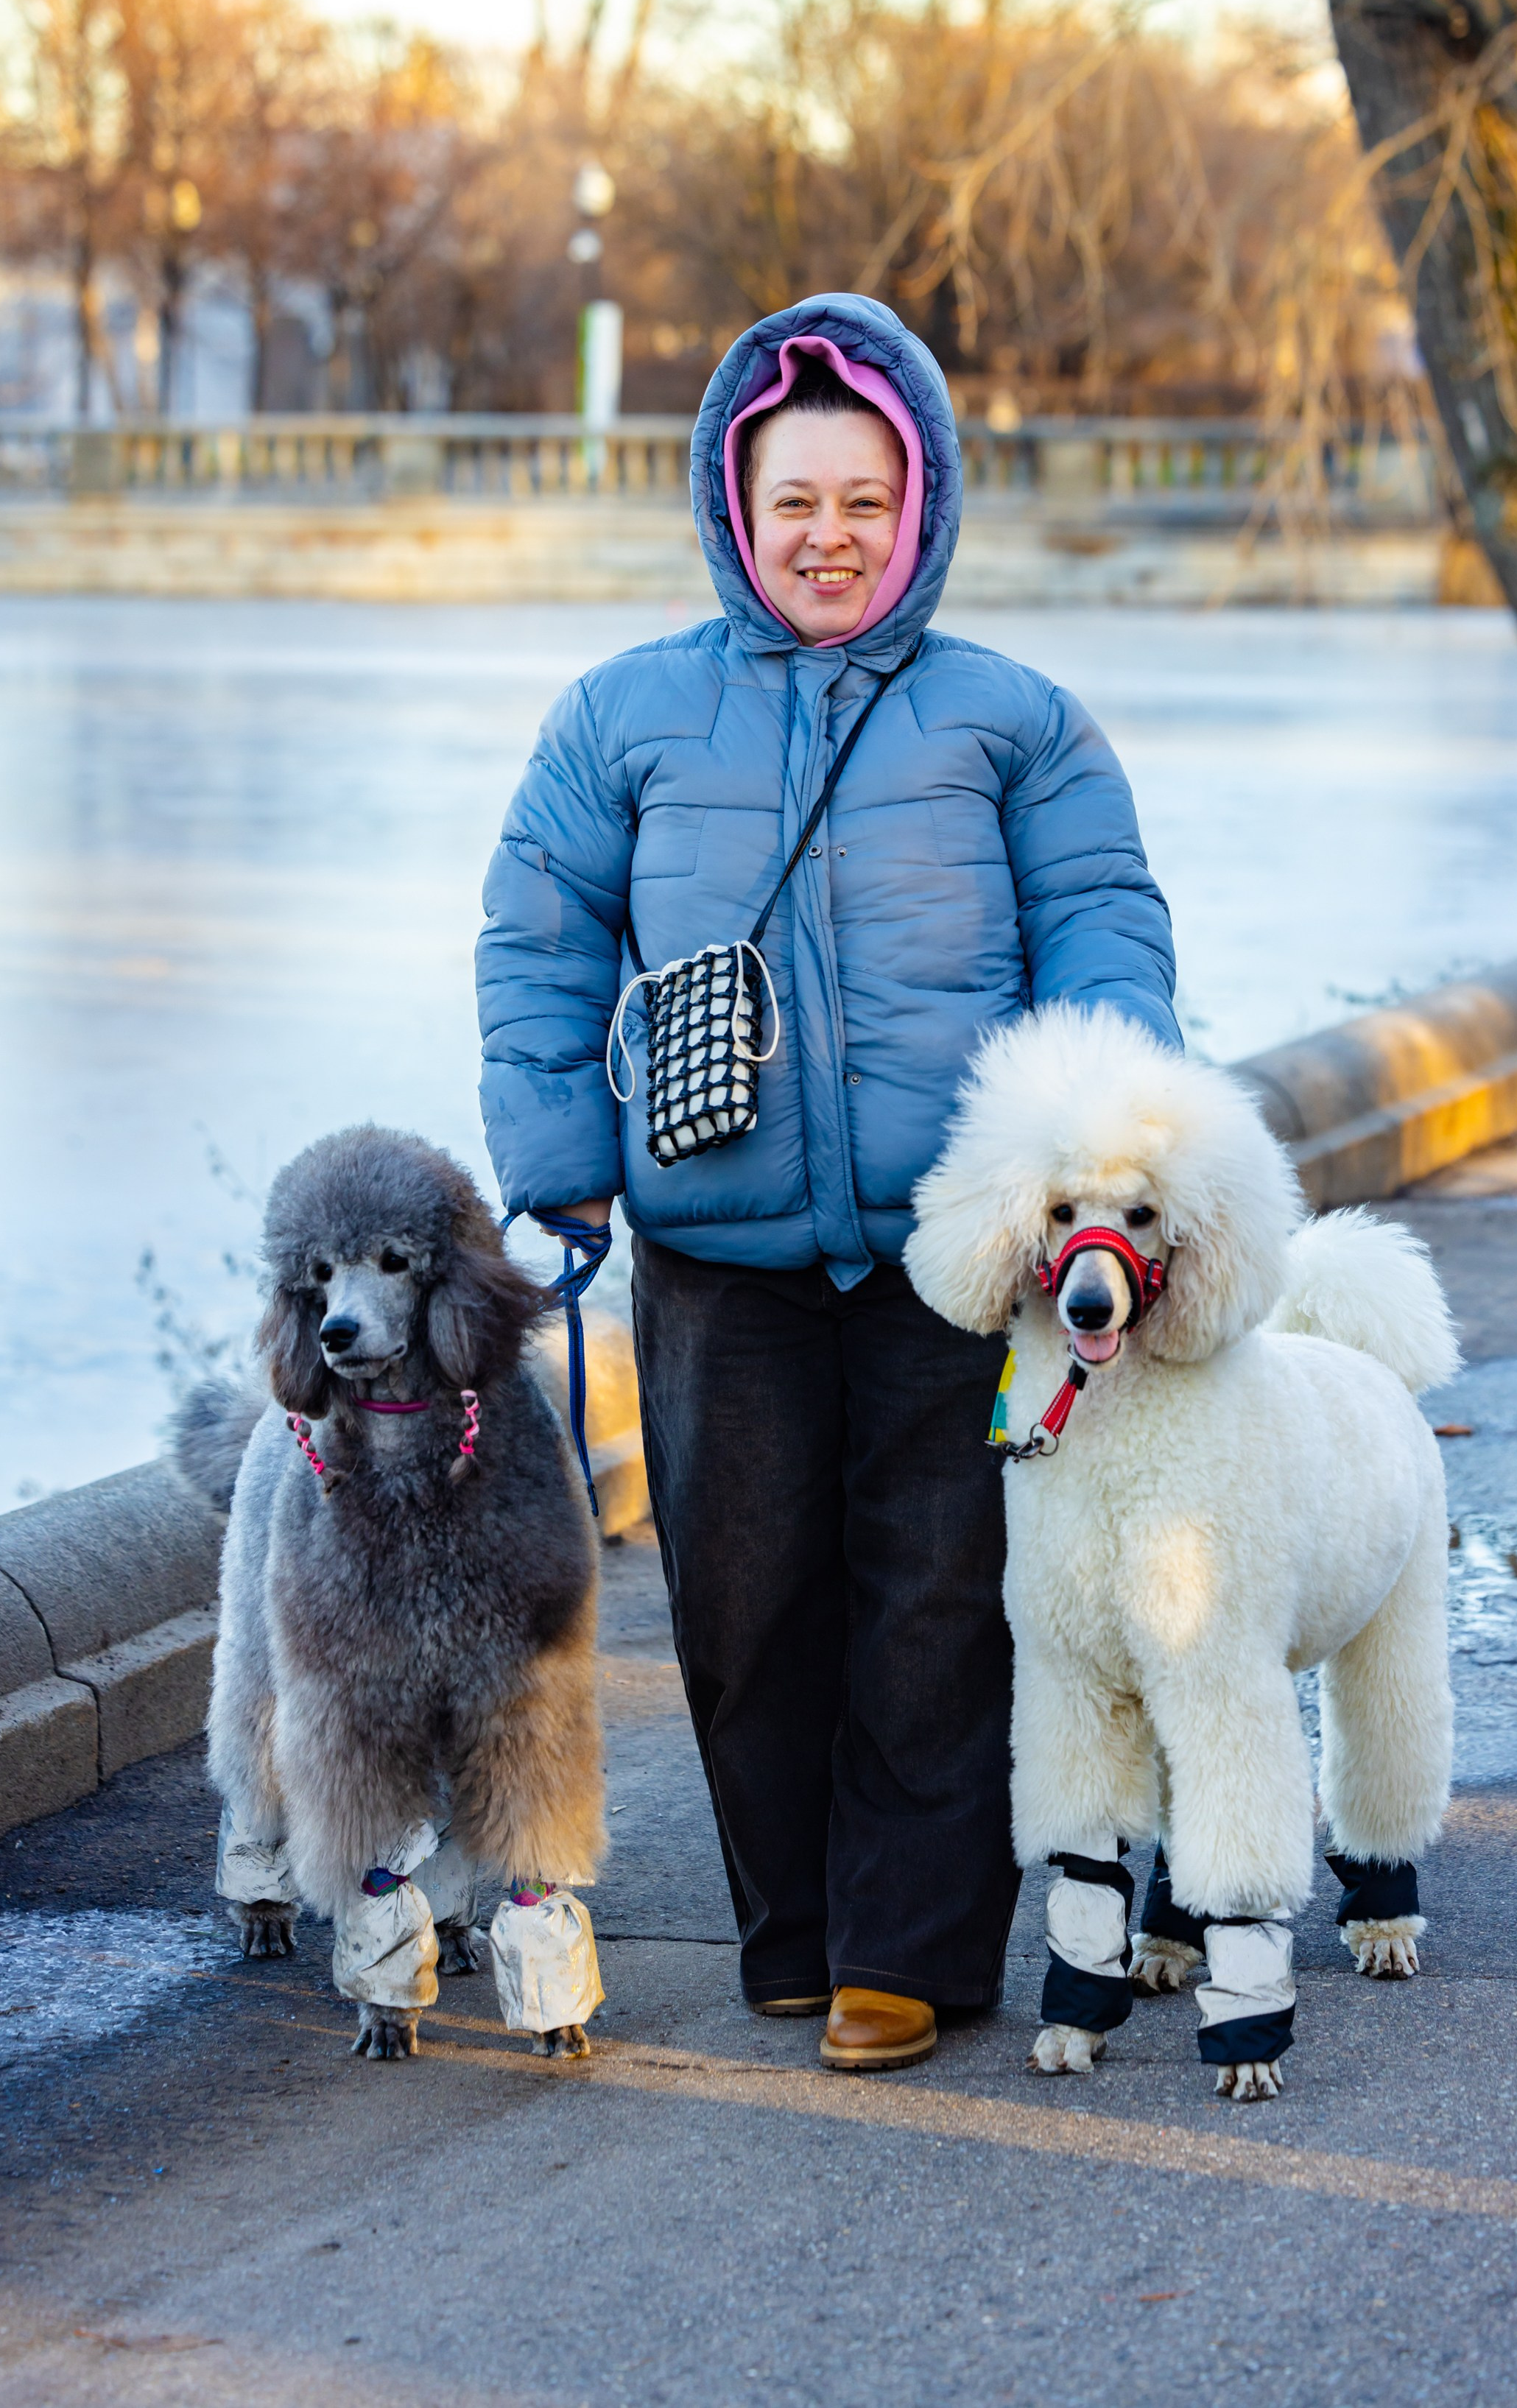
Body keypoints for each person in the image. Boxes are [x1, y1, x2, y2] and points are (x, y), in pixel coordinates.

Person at [476, 293, 1178, 2072]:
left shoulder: (1016, 722)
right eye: (796, 500)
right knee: (740, 1599)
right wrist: (559, 1172)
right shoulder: (620, 715)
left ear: (921, 502)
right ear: (733, 498)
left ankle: (912, 1953)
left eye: (865, 501)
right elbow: (538, 945)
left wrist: (1096, 1163)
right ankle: (791, 1927)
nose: (830, 537)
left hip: (960, 1254)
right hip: (716, 1250)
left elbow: (1105, 929)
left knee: (939, 1603)